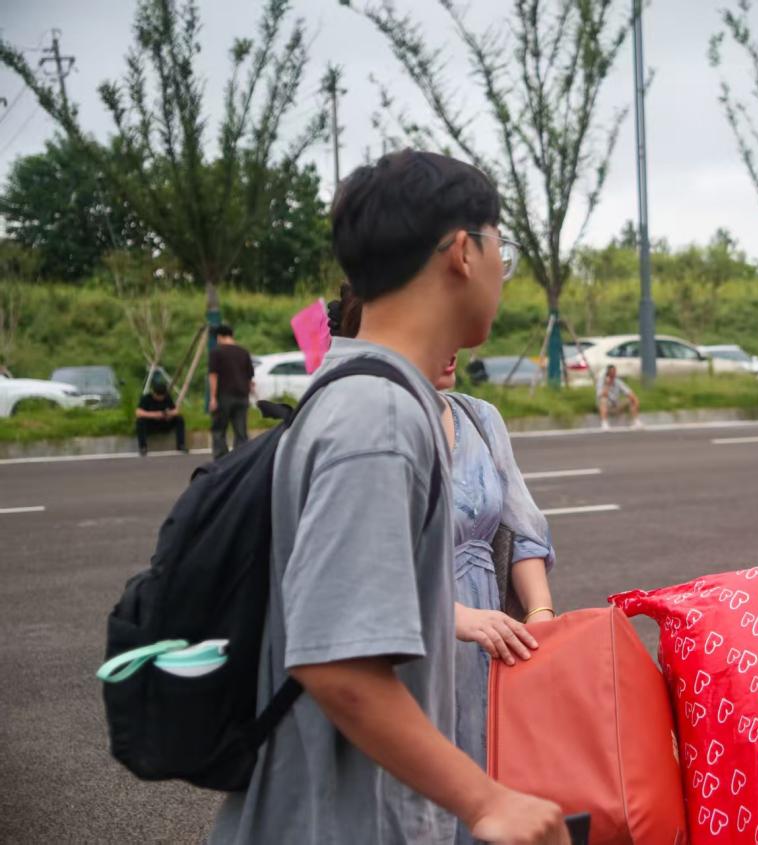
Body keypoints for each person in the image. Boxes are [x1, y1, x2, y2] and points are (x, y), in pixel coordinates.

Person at [211, 150, 566, 845]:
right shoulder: (377, 417)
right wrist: (487, 801)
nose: (502, 271)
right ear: (463, 252)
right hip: (349, 821)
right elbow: (336, 661)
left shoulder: (365, 396)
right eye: (502, 251)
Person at [329, 285, 559, 845]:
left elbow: (523, 528)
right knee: (417, 800)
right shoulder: (367, 430)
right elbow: (355, 578)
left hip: (490, 648)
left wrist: (541, 615)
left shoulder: (480, 418)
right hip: (411, 649)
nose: (451, 343)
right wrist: (456, 618)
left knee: (490, 785)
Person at [208, 324, 255, 458]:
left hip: (224, 396)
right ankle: (240, 459)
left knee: (219, 429)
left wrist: (213, 397)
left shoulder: (216, 352)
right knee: (241, 431)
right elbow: (250, 377)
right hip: (242, 396)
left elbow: (213, 375)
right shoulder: (243, 352)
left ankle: (221, 459)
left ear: (219, 337)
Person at [134, 374, 186, 456]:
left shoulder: (167, 398)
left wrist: (169, 414)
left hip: (164, 422)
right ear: (154, 393)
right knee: (140, 421)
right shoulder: (146, 398)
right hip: (151, 424)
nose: (160, 398)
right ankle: (143, 447)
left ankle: (181, 445)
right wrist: (155, 414)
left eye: (162, 396)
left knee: (179, 419)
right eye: (158, 396)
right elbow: (138, 412)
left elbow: (176, 411)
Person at [596, 364, 642, 430]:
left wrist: (634, 400)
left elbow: (629, 393)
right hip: (606, 406)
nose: (613, 375)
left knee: (632, 399)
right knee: (603, 400)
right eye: (611, 373)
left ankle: (636, 422)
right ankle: (604, 423)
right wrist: (607, 384)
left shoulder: (618, 382)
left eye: (614, 373)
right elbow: (602, 395)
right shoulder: (601, 382)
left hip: (616, 405)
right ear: (607, 374)